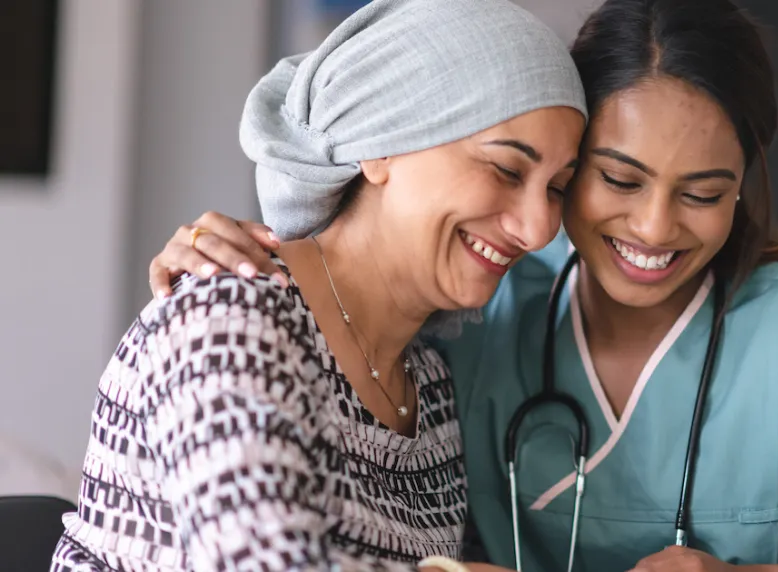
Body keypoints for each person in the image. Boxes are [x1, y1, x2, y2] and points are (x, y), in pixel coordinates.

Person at [143, 0, 778, 571]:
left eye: (705, 193)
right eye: (615, 179)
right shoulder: (480, 315)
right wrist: (247, 257)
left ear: (745, 188)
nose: (653, 229)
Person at [52, 0, 586, 570]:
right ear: (382, 143)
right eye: (506, 170)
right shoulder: (231, 319)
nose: (537, 228)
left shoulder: (429, 384)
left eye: (556, 188)